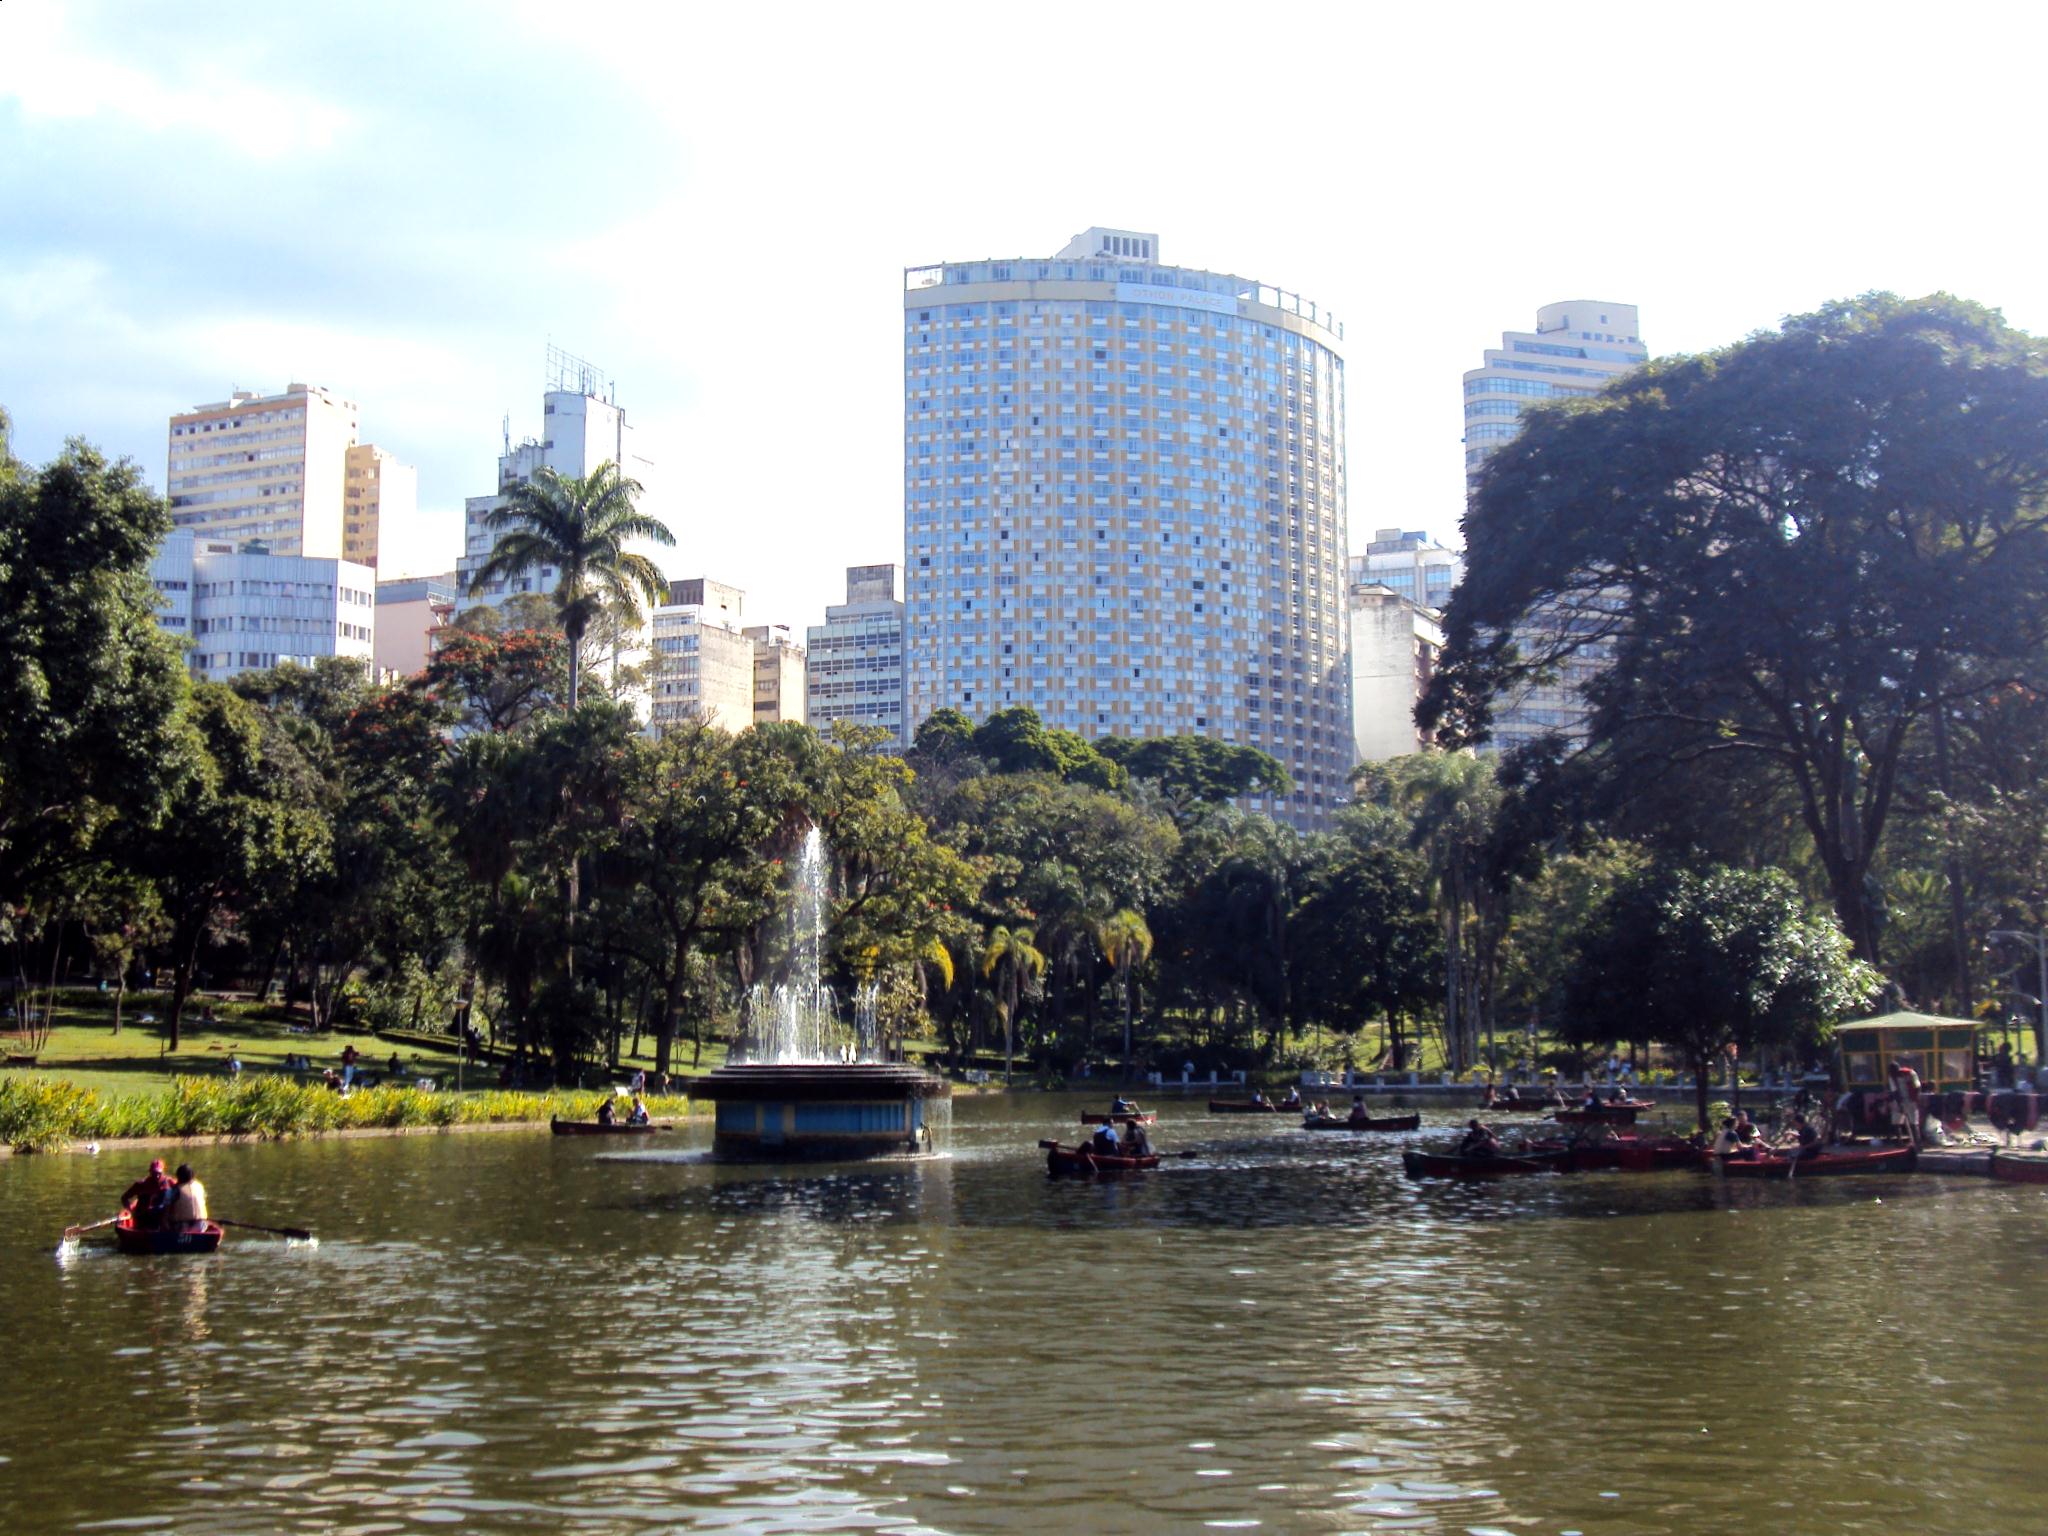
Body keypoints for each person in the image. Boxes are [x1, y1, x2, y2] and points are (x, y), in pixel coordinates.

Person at [120, 1158, 174, 1230]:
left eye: (159, 1173)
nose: (157, 1176)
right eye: (154, 1173)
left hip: (162, 1216)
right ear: (150, 1172)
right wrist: (130, 1210)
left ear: (163, 1172)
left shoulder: (170, 1182)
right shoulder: (141, 1184)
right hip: (143, 1216)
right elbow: (124, 1198)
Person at [165, 1164, 209, 1230]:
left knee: (164, 1221)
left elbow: (166, 1209)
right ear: (192, 1175)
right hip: (201, 1226)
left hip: (183, 1226)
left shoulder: (173, 1190)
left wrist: (164, 1223)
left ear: (178, 1176)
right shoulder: (200, 1186)